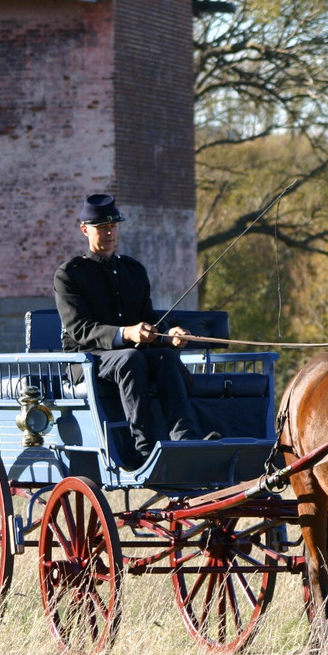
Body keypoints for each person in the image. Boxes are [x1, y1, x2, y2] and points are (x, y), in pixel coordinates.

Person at [54, 194, 218, 464]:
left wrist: (168, 336)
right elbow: (80, 329)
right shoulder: (70, 275)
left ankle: (185, 438)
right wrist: (126, 333)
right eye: (102, 227)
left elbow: (148, 318)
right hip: (88, 359)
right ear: (85, 230)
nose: (109, 233)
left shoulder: (133, 271)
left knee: (165, 358)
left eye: (113, 226)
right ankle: (143, 447)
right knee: (131, 358)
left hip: (132, 358)